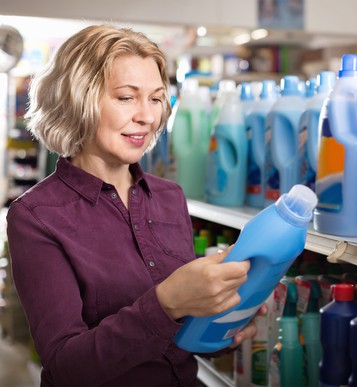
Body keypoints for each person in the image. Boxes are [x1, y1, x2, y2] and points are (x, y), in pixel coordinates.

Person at [6, 24, 260, 386]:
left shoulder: (169, 197)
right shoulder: (36, 216)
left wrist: (224, 321)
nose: (148, 116)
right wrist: (167, 302)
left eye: (156, 98)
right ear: (78, 99)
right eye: (127, 97)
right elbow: (65, 365)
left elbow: (179, 341)